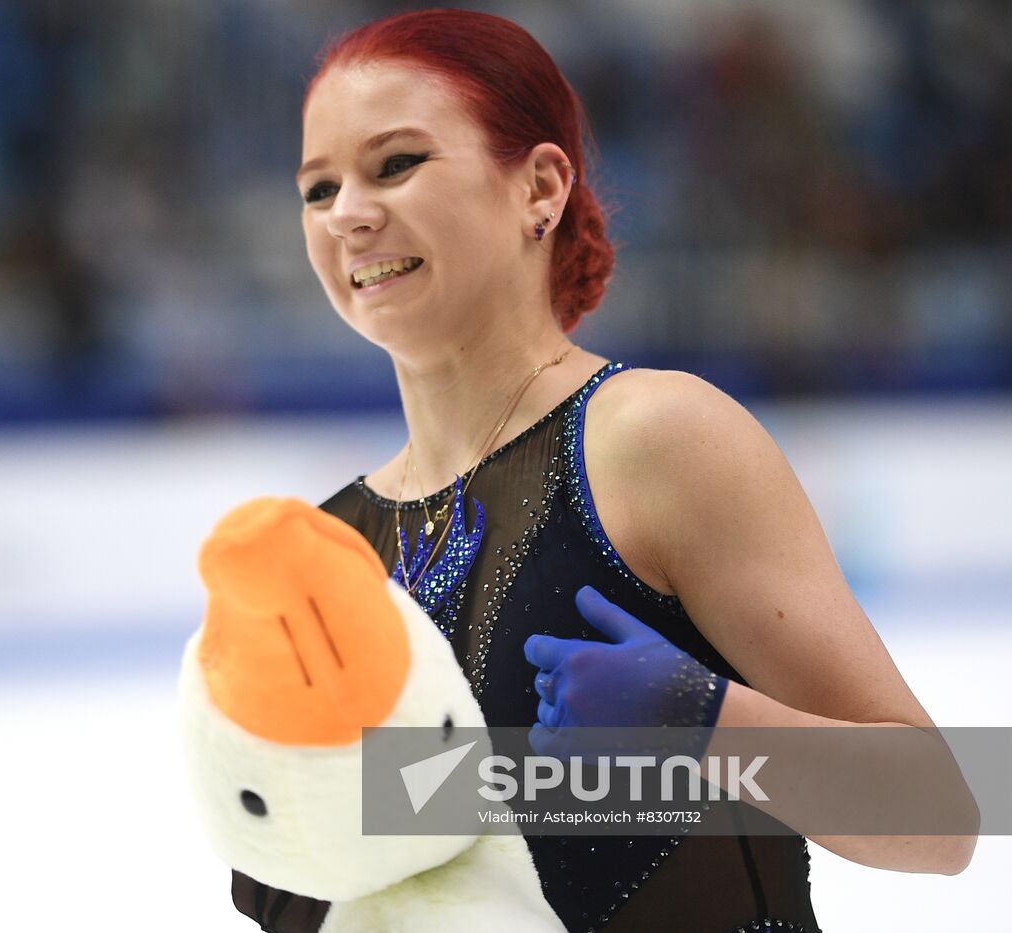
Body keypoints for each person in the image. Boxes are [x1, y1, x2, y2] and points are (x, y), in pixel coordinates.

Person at [230, 9, 975, 931]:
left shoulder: (654, 439)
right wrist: (311, 851)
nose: (347, 213)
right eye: (316, 188)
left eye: (396, 164)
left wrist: (703, 721)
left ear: (539, 186)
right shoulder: (336, 542)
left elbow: (942, 815)